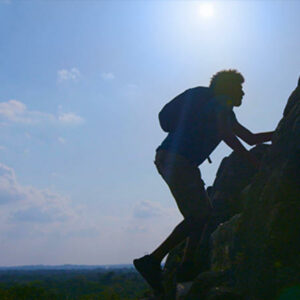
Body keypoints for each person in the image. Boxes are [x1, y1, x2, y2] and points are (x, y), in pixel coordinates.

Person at [133, 70, 274, 295]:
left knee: (203, 214)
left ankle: (186, 267)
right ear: (227, 88)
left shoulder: (221, 108)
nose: (243, 93)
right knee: (198, 215)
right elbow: (227, 136)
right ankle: (152, 261)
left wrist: (281, 132)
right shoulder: (219, 104)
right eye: (239, 88)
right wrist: (255, 164)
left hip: (177, 160)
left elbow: (251, 138)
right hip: (177, 160)